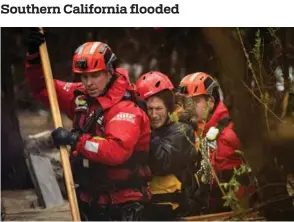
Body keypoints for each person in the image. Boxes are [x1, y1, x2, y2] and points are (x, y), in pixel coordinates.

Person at [25, 28, 151, 220]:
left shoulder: (125, 109)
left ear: (109, 72)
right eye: (84, 77)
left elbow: (116, 151)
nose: (89, 83)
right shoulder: (81, 96)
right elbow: (43, 88)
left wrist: (75, 140)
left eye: (95, 75)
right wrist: (34, 58)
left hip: (123, 205)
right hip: (88, 201)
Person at [177, 72, 255, 213]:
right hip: (208, 210)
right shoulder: (191, 131)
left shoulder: (233, 129)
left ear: (211, 102)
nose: (189, 108)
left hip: (239, 210)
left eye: (195, 102)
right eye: (186, 103)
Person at [135, 71, 200, 220]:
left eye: (159, 109)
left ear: (169, 108)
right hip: (146, 208)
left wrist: (143, 130)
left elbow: (162, 161)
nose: (154, 115)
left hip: (172, 211)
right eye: (149, 109)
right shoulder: (148, 129)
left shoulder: (183, 130)